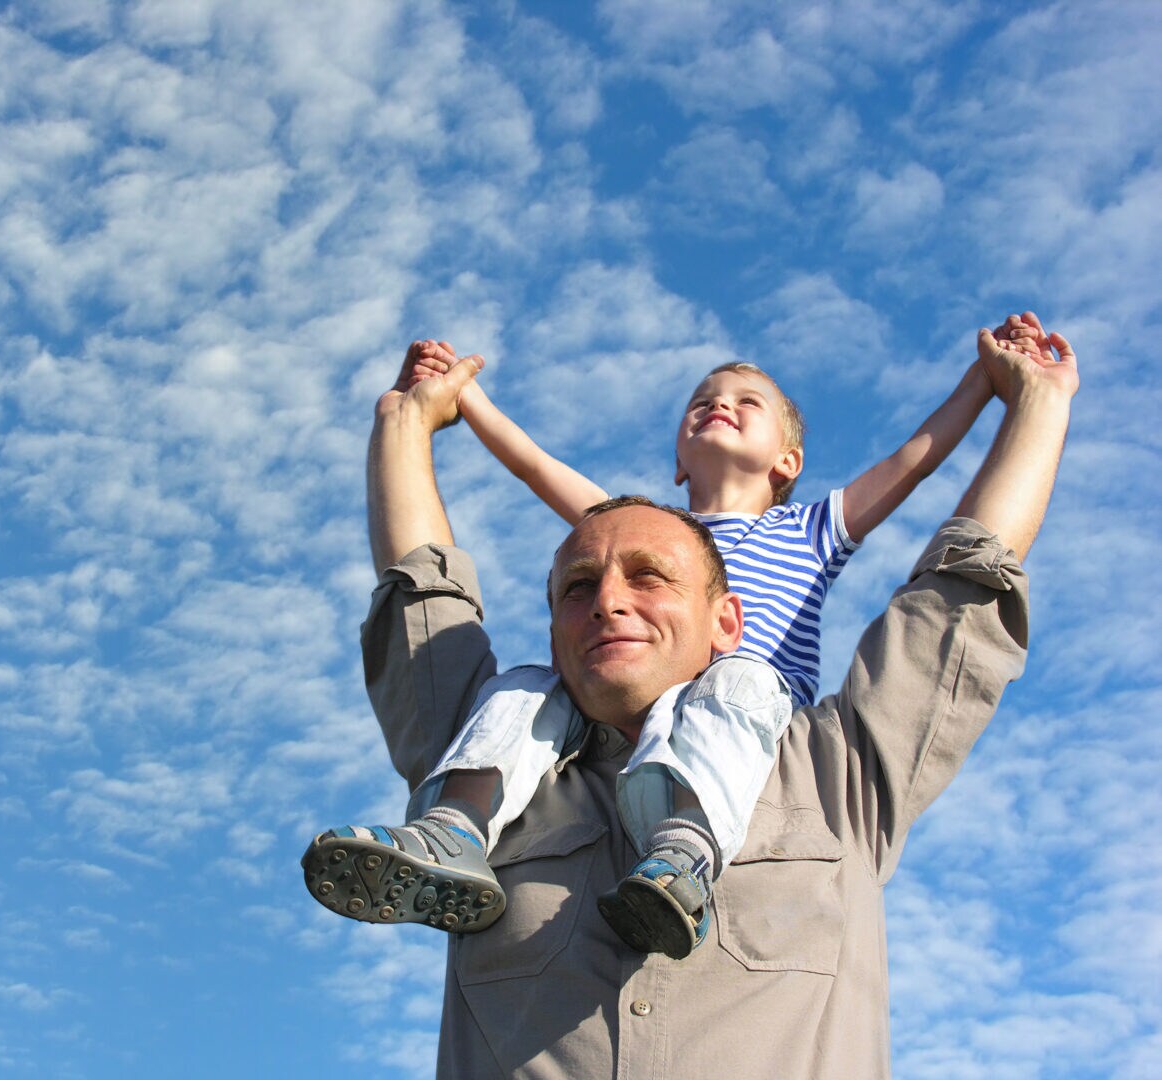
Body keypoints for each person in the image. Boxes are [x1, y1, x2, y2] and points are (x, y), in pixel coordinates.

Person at [305, 316, 1075, 1078]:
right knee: (516, 695)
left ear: (723, 615)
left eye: (649, 577)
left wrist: (1011, 395)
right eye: (577, 586)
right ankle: (450, 831)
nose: (609, 599)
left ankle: (686, 846)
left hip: (755, 705)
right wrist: (419, 417)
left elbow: (958, 580)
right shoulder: (495, 742)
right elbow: (429, 588)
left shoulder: (837, 776)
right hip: (525, 753)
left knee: (736, 684)